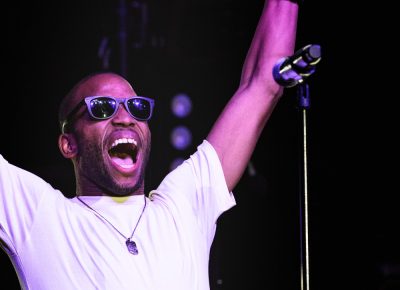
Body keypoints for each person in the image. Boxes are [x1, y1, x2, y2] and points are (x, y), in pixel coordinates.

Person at [0, 0, 299, 289]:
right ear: (69, 144)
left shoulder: (182, 206)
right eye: (102, 107)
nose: (125, 118)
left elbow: (263, 84)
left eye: (137, 108)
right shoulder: (39, 217)